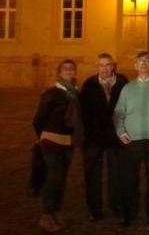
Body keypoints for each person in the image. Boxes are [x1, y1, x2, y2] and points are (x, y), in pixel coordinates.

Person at [114, 51, 149, 227]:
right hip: (131, 140)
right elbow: (119, 113)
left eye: (147, 61)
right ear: (135, 65)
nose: (143, 64)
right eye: (140, 61)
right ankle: (129, 213)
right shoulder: (128, 88)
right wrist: (121, 132)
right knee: (129, 180)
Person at [33, 59, 81, 233]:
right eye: (65, 68)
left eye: (71, 68)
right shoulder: (51, 93)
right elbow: (38, 119)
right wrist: (42, 138)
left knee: (61, 179)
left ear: (75, 72)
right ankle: (46, 215)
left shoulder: (75, 93)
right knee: (53, 178)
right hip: (51, 141)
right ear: (59, 72)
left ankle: (56, 212)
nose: (68, 71)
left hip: (67, 142)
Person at [79, 53, 128, 221]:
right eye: (101, 65)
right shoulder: (89, 84)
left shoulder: (122, 83)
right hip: (94, 136)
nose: (105, 68)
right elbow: (82, 112)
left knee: (117, 174)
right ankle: (95, 210)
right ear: (97, 66)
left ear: (113, 66)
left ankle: (116, 205)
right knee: (92, 175)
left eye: (108, 65)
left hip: (115, 136)